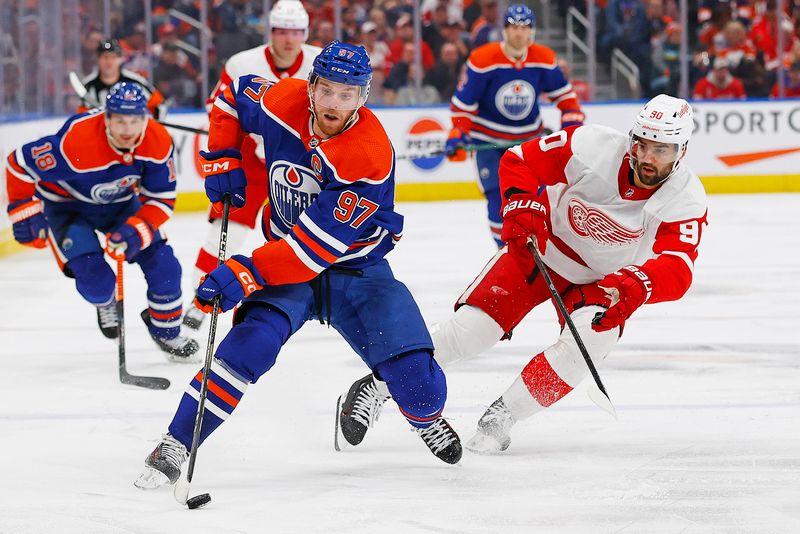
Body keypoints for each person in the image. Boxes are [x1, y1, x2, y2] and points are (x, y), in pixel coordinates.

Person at [134, 41, 463, 491]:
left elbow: (313, 251)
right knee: (248, 347)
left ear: (363, 97)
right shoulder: (283, 99)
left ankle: (399, 401)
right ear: (311, 86)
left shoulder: (367, 153)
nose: (334, 104)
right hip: (286, 260)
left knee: (422, 388)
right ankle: (177, 442)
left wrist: (245, 270)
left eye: (348, 94)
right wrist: (223, 155)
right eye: (327, 90)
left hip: (355, 268)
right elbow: (230, 95)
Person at [335, 94, 708, 455]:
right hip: (540, 251)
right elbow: (520, 160)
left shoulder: (685, 196)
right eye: (642, 144)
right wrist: (522, 206)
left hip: (602, 282)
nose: (646, 157)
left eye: (661, 150)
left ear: (682, 152)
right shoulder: (591, 144)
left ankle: (503, 416)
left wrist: (638, 284)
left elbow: (678, 266)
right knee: (471, 332)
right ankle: (378, 386)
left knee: (587, 345)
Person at [5, 82, 199, 360]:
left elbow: (161, 199)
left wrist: (134, 232)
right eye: (119, 120)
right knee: (97, 283)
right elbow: (19, 164)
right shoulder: (77, 141)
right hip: (67, 207)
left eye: (135, 120)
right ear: (105, 117)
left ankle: (166, 332)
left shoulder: (156, 140)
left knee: (165, 268)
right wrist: (25, 211)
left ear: (146, 117)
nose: (128, 130)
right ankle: (105, 301)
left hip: (120, 205)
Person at [184, 0, 323, 331]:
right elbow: (219, 107)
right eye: (281, 31)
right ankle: (199, 300)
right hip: (250, 159)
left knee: (312, 232)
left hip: (297, 159)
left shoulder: (319, 62)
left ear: (304, 33)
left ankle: (324, 299)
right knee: (227, 228)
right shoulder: (242, 63)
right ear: (271, 32)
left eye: (296, 32)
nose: (289, 39)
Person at [447, 4, 584, 247]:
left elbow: (566, 98)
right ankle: (505, 254)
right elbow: (463, 104)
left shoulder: (543, 58)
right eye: (513, 27)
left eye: (524, 27)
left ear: (531, 31)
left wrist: (571, 126)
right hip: (488, 143)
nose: (519, 33)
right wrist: (458, 133)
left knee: (536, 199)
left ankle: (537, 253)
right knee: (496, 200)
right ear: (505, 30)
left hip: (528, 143)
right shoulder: (483, 59)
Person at [79, 38, 167, 120]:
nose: (109, 61)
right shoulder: (88, 85)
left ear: (120, 59)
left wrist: (154, 126)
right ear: (98, 59)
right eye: (105, 57)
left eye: (113, 57)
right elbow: (82, 116)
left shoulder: (136, 82)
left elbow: (159, 105)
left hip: (131, 133)